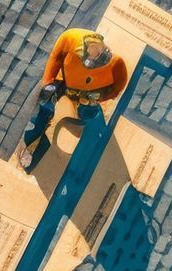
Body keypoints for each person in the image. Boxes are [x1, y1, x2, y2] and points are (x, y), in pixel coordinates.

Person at [18, 28, 128, 169]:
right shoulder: (70, 38)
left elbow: (116, 89)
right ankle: (31, 147)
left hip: (88, 94)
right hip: (63, 81)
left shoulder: (117, 64)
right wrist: (48, 80)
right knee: (43, 109)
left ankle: (89, 153)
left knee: (89, 120)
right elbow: (56, 56)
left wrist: (98, 98)